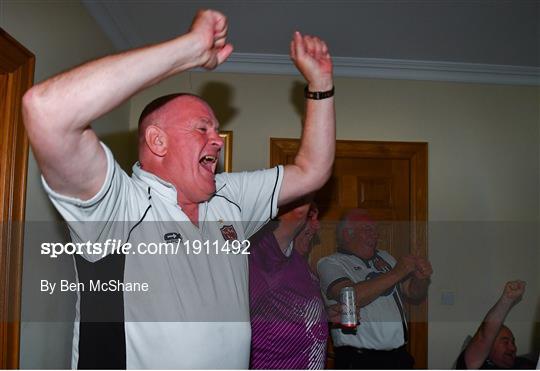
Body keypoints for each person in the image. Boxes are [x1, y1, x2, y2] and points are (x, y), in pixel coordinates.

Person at [22, 9, 335, 369]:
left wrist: (321, 84)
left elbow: (312, 171)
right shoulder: (119, 206)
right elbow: (45, 110)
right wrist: (189, 51)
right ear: (157, 141)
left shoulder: (228, 198)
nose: (217, 141)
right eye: (202, 129)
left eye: (216, 130)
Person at [317, 209, 432, 369]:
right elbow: (350, 297)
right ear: (347, 234)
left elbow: (414, 294)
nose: (375, 235)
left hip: (398, 356)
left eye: (375, 230)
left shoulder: (385, 257)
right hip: (359, 360)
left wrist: (421, 278)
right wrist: (398, 272)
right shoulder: (330, 263)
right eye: (368, 229)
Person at [249, 200, 328, 369]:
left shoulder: (299, 261)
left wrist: (323, 315)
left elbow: (287, 309)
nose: (317, 226)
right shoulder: (267, 257)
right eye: (310, 216)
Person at [456, 280, 535, 369]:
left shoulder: (524, 363)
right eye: (505, 342)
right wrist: (508, 299)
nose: (513, 348)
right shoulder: (477, 365)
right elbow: (483, 337)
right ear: (488, 347)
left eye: (513, 342)